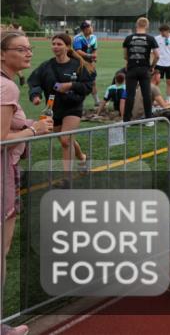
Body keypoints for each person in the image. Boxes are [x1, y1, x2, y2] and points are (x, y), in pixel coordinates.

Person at [2, 31, 53, 335]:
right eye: (20, 49)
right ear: (2, 54)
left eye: (30, 48)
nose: (28, 53)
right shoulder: (6, 87)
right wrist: (35, 131)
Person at [27, 33, 93, 173]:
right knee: (66, 139)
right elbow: (34, 82)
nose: (55, 47)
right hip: (54, 108)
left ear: (67, 47)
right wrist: (36, 96)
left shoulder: (78, 65)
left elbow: (87, 86)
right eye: (53, 44)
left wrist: (70, 85)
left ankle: (67, 179)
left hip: (73, 107)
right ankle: (82, 157)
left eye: (59, 44)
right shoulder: (46, 66)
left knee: (65, 141)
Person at [122, 18, 158, 123]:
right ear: (147, 26)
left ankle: (126, 120)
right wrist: (152, 66)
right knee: (146, 95)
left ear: (136, 25)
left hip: (131, 69)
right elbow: (157, 56)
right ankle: (148, 120)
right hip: (144, 69)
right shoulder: (151, 38)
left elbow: (125, 56)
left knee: (130, 95)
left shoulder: (128, 38)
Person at [72, 20, 99, 106]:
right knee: (80, 83)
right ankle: (79, 103)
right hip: (79, 63)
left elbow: (95, 49)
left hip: (90, 63)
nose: (92, 28)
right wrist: (89, 55)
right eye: (90, 26)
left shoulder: (94, 37)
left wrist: (94, 56)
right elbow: (78, 51)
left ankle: (97, 101)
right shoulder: (77, 38)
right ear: (85, 28)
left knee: (93, 81)